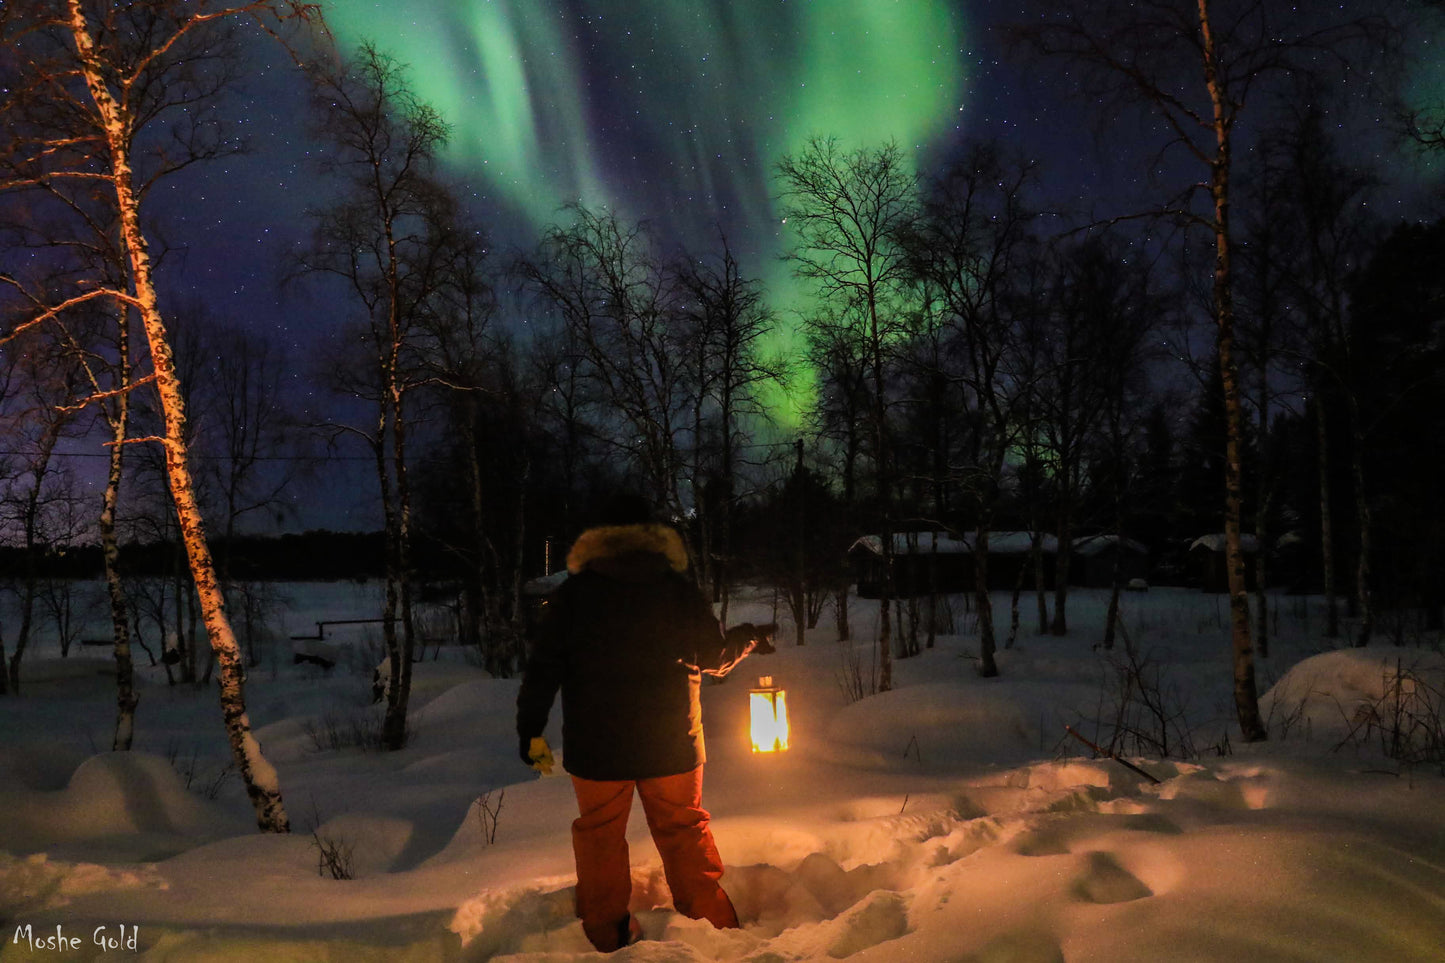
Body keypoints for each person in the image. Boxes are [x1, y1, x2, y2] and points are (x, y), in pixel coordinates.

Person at [516, 493, 773, 952]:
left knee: (600, 837)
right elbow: (713, 657)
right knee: (683, 830)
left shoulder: (573, 595)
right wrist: (749, 638)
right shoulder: (674, 588)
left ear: (597, 541)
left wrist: (530, 732)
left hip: (597, 749)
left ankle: (607, 932)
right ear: (653, 537)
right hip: (671, 742)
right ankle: (713, 929)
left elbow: (543, 670)